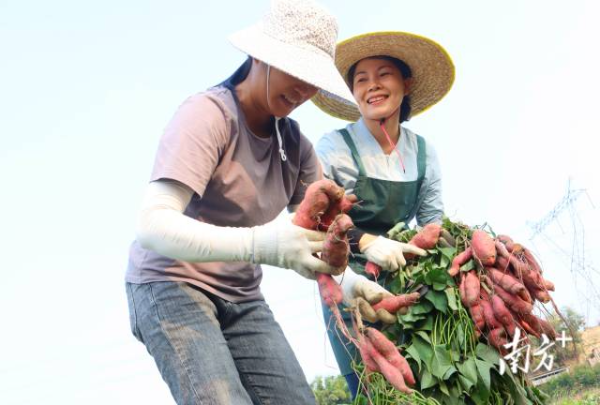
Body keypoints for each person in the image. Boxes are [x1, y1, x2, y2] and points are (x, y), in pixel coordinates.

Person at [123, 1, 388, 404]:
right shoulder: (209, 116)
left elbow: (318, 239)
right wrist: (261, 245)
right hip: (172, 286)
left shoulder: (296, 145)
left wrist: (350, 282)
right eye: (294, 72)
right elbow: (153, 225)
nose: (302, 88)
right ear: (259, 56)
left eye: (312, 78)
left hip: (244, 297)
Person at [311, 31, 456, 397]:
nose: (372, 86)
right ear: (353, 92)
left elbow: (432, 224)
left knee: (426, 382)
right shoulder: (335, 147)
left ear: (405, 84)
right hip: (345, 280)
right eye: (361, 80)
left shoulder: (423, 152)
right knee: (373, 385)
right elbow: (313, 223)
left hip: (405, 279)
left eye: (384, 75)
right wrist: (365, 240)